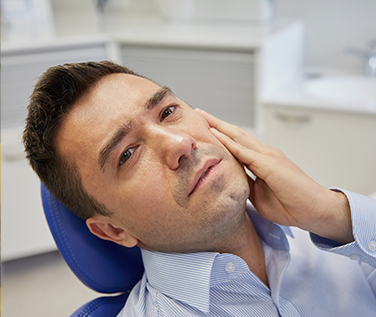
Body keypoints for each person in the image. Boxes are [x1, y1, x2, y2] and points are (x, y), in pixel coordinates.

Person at [23, 61, 376, 316]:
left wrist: (333, 214)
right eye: (128, 154)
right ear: (114, 230)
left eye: (168, 112)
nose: (179, 142)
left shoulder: (340, 231)